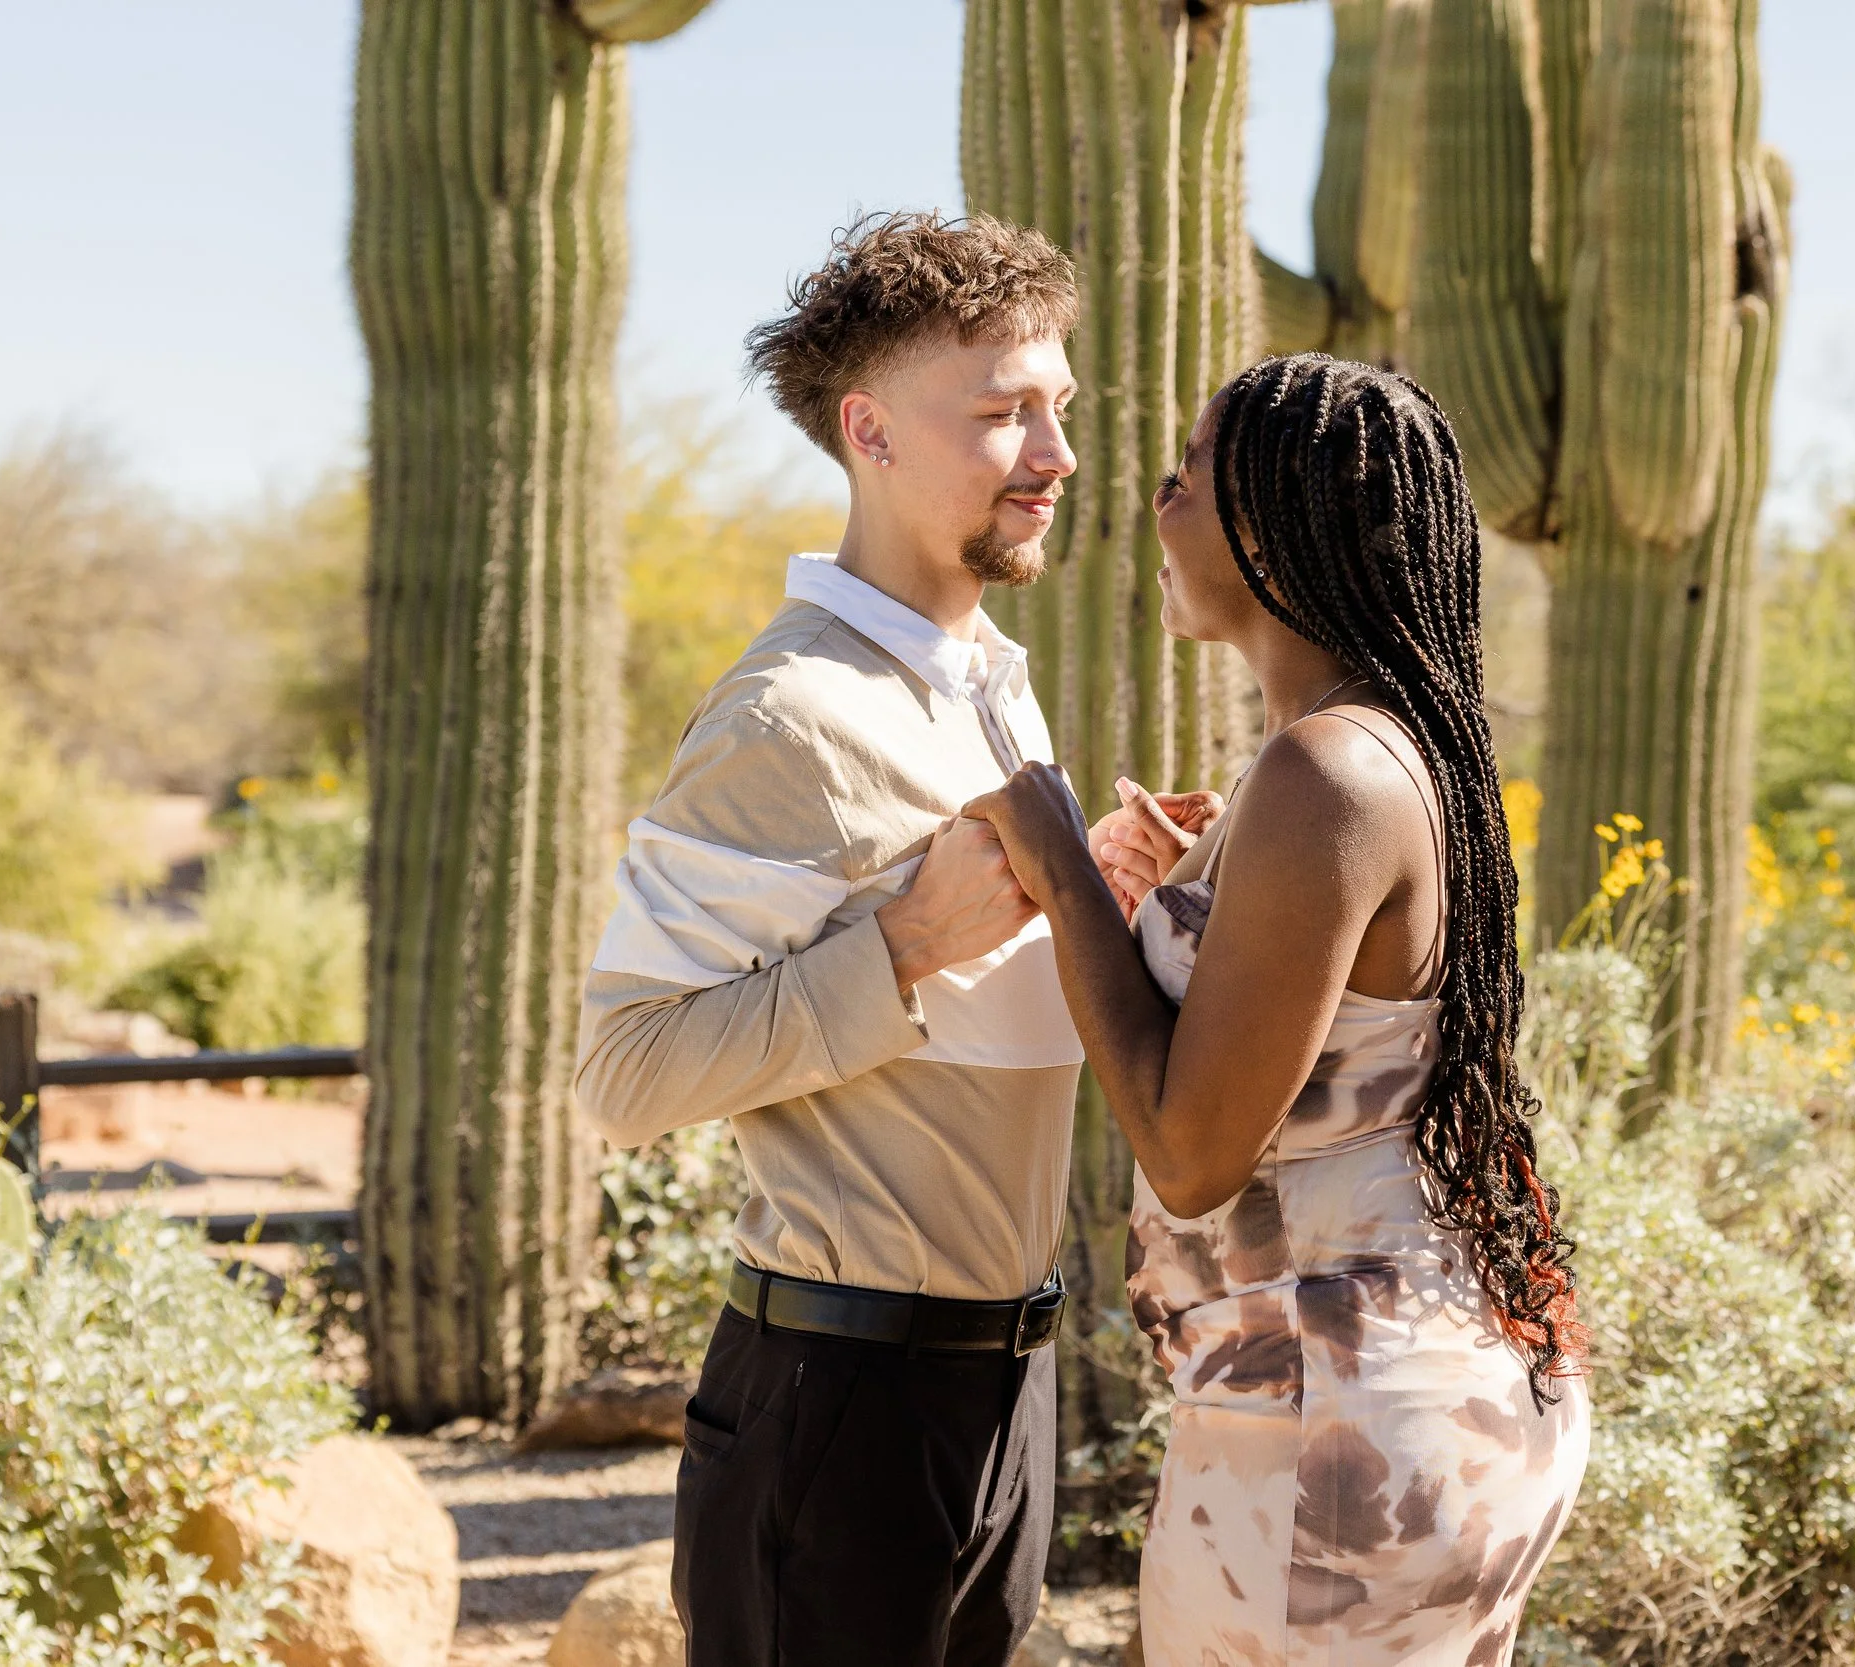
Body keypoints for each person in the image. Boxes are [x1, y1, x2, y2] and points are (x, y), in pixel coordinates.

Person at [968, 354, 1594, 1666]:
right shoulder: (1382, 744)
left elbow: (1193, 1153)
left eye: (1187, 475)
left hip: (1337, 1432)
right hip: (1414, 1395)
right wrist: (1177, 895)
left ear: (1269, 526)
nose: (1154, 496)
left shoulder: (1328, 768)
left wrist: (1061, 863)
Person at [573, 212, 1098, 1667]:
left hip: (1003, 1391)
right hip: (840, 1402)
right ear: (868, 430)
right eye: (1001, 415)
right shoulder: (785, 712)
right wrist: (904, 948)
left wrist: (1098, 892)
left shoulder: (991, 685)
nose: (1053, 455)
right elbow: (622, 1074)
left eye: (1059, 408)